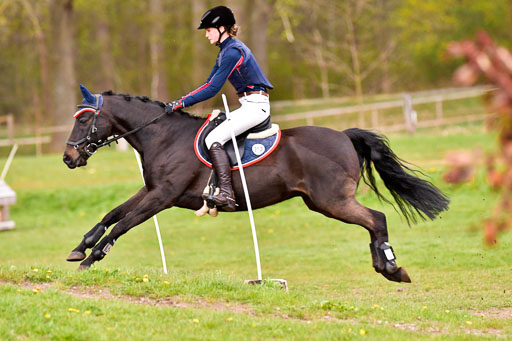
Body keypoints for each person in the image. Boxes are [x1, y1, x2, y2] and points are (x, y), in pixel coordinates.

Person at [166, 5, 273, 212]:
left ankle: (226, 193)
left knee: (213, 138)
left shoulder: (233, 52)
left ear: (222, 28)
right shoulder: (225, 51)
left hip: (255, 107)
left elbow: (213, 89)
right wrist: (181, 100)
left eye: (208, 30)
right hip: (248, 104)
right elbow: (208, 83)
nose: (206, 35)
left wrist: (181, 103)